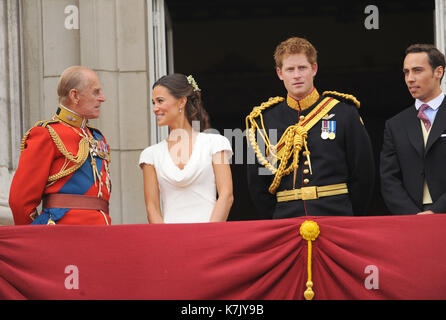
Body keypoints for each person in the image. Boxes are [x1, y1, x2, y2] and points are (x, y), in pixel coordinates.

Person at [246, 37, 375, 219]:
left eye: (302, 68)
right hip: (286, 221)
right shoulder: (263, 122)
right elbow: (258, 184)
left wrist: (350, 216)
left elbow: (363, 175)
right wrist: (275, 220)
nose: (296, 75)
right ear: (279, 73)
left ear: (314, 69)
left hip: (336, 217)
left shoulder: (344, 112)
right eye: (290, 69)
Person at [9, 66, 112, 225]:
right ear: (75, 95)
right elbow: (20, 201)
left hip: (101, 231)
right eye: (96, 92)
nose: (102, 98)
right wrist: (32, 239)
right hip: (61, 234)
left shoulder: (96, 137)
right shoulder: (47, 133)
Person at [139, 73, 233, 223]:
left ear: (182, 101)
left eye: (160, 101)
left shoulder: (215, 143)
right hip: (170, 240)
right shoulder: (150, 155)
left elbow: (226, 195)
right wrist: (165, 240)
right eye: (153, 103)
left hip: (210, 236)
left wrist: (208, 234)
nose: (155, 108)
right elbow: (152, 207)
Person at [380, 44, 446, 215]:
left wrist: (437, 211)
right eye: (406, 72)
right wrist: (412, 216)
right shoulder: (395, 124)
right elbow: (389, 179)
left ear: (438, 72)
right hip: (411, 218)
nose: (410, 78)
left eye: (417, 71)